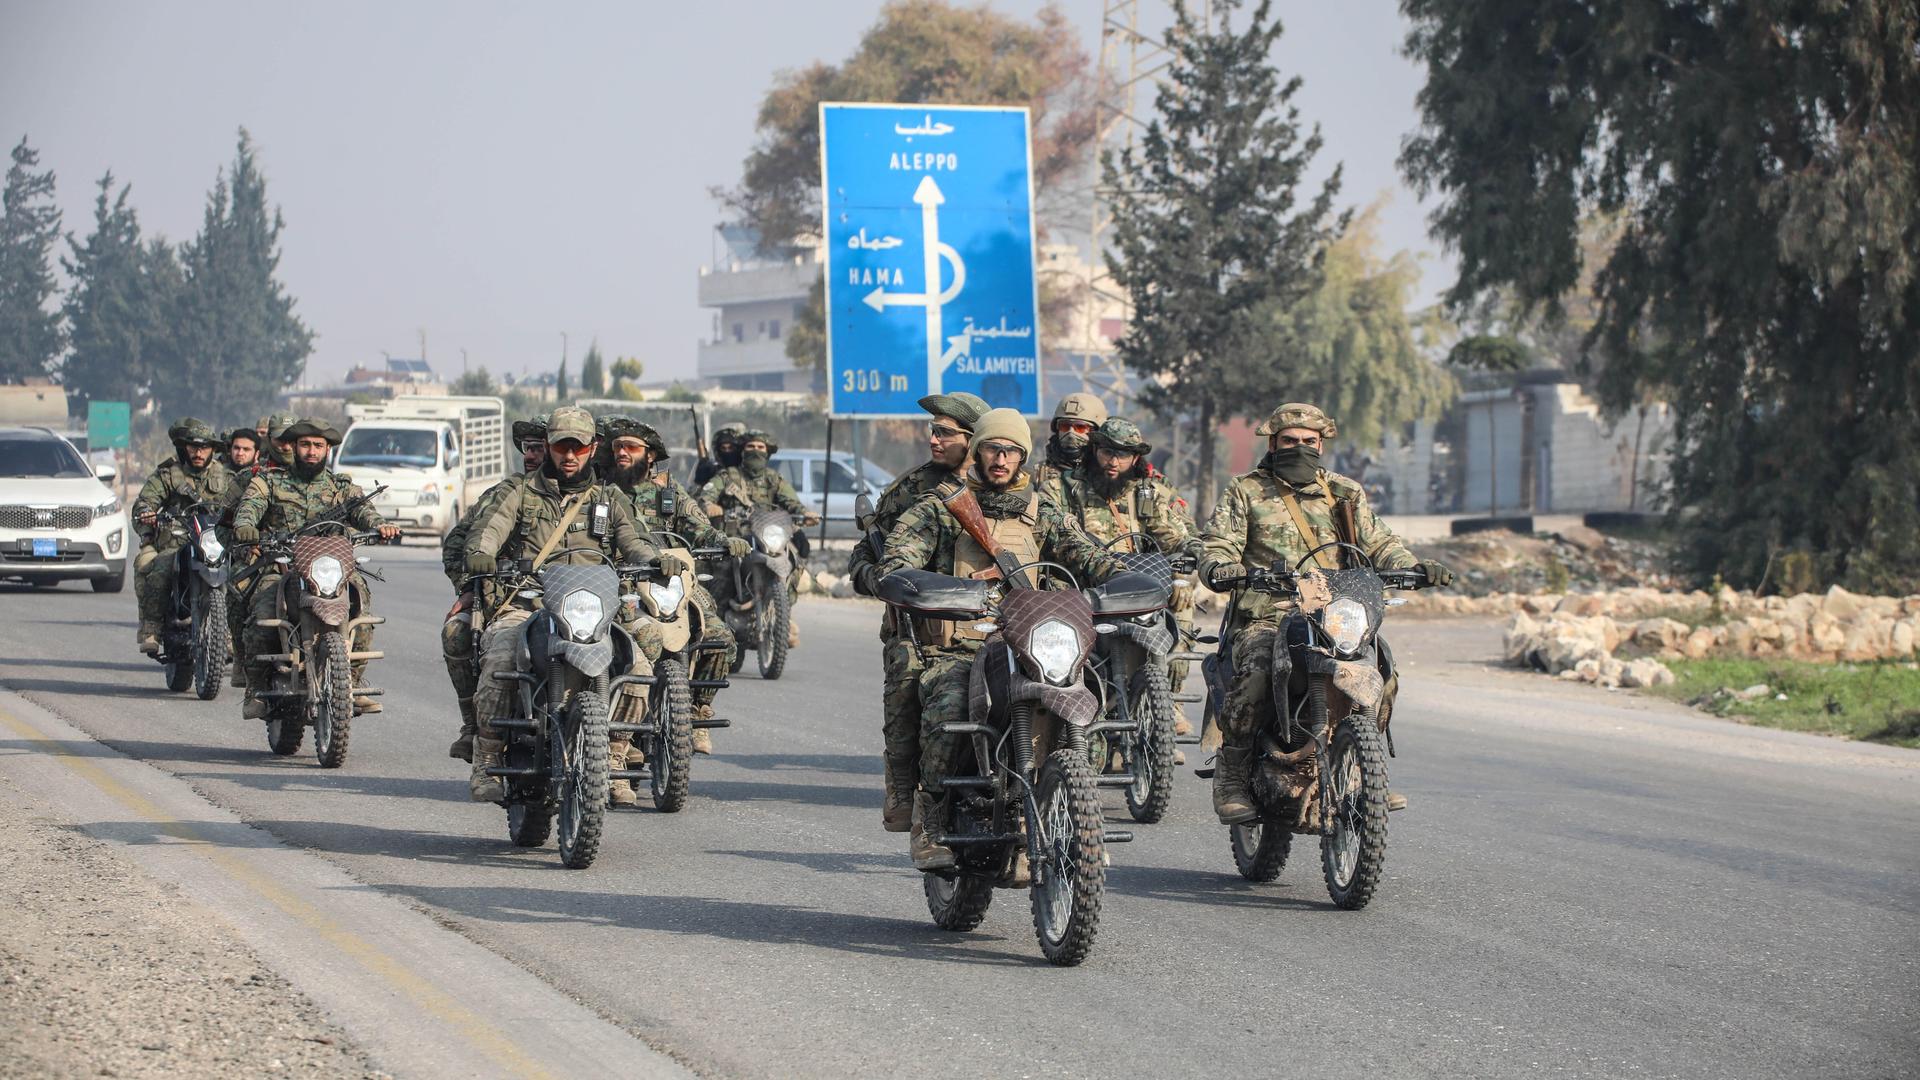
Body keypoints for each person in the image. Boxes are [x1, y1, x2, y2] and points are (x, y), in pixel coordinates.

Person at [876, 408, 1123, 870]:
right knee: (948, 706)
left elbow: (1087, 555)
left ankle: (1079, 820)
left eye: (1011, 450)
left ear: (1023, 456)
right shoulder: (941, 508)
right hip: (961, 645)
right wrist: (913, 580)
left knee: (1088, 706)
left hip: (1030, 641)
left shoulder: (1042, 510)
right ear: (978, 450)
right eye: (993, 448)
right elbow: (898, 558)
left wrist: (1123, 580)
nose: (1001, 458)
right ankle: (929, 821)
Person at [1196, 402, 1453, 824]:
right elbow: (1219, 543)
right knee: (1258, 674)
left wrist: (1416, 566)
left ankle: (1363, 770)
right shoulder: (1246, 490)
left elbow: (1379, 542)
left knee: (1382, 671)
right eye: (1289, 441)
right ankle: (1233, 776)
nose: (1299, 448)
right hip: (1267, 614)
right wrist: (1224, 567)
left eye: (1308, 442)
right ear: (1273, 444)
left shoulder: (1344, 492)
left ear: (1322, 444)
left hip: (1335, 616)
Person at [460, 407, 674, 803]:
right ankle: (485, 759)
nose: (570, 456)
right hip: (529, 603)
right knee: (501, 657)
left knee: (639, 669)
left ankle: (612, 760)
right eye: (562, 447)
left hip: (594, 610)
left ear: (593, 449)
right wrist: (481, 553)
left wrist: (656, 558)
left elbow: (635, 541)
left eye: (578, 447)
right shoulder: (519, 492)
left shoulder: (609, 497)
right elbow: (488, 532)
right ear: (550, 448)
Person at [846, 391, 989, 832]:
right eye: (933, 431)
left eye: (945, 432)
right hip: (923, 625)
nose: (933, 439)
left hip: (997, 621)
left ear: (974, 440)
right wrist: (889, 582)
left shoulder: (1008, 489)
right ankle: (906, 789)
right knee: (906, 682)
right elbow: (862, 562)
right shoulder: (912, 489)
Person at [1041, 416, 1204, 760]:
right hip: (1084, 589)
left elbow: (1175, 534)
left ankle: (1165, 704)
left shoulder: (1146, 492)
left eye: (1124, 455)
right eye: (1107, 452)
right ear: (1094, 450)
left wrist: (1202, 558)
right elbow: (1050, 537)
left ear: (1136, 458)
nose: (1113, 462)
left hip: (1138, 585)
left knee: (1182, 594)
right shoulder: (1064, 488)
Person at [600, 416, 747, 777]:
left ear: (649, 455)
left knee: (718, 637)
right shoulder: (601, 491)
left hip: (672, 585)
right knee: (621, 647)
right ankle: (613, 729)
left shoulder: (668, 493)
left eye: (631, 447)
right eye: (618, 446)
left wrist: (724, 542)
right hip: (618, 582)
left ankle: (696, 710)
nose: (622, 453)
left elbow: (698, 528)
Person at [231, 420, 400, 719]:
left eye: (318, 446)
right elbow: (250, 506)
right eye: (305, 445)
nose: (311, 452)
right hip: (283, 565)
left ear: (328, 450)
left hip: (333, 569)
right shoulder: (269, 481)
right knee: (262, 612)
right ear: (294, 447)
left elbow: (364, 511)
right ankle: (255, 689)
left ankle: (352, 684)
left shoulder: (341, 487)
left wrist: (380, 526)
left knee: (361, 609)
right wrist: (246, 527)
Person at [437, 415, 548, 763]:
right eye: (528, 448)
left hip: (574, 602)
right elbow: (459, 544)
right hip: (508, 597)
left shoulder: (596, 497)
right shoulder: (505, 492)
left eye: (540, 448)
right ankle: (474, 728)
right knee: (457, 632)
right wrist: (468, 587)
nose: (531, 455)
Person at [696, 428, 818, 648]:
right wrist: (710, 505)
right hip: (735, 536)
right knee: (722, 571)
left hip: (768, 534)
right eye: (750, 446)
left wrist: (804, 513)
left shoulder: (774, 478)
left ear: (768, 452)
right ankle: (714, 628)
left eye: (760, 447)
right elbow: (706, 495)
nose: (755, 451)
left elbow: (791, 502)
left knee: (794, 562)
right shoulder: (728, 475)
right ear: (742, 451)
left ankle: (782, 617)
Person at [131, 419, 235, 654]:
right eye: (193, 447)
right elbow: (144, 502)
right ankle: (152, 629)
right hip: (176, 542)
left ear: (213, 449)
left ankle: (230, 634)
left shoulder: (226, 477)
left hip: (215, 542)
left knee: (240, 574)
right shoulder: (168, 474)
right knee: (158, 569)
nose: (198, 453)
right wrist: (147, 514)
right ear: (184, 447)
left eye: (204, 447)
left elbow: (243, 504)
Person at [1033, 392, 1109, 489]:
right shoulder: (1039, 473)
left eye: (1080, 427)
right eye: (1064, 426)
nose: (1070, 433)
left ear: (1096, 431)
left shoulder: (1110, 473)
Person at [692, 423, 742, 489]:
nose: (727, 451)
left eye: (730, 448)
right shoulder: (712, 468)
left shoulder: (743, 468)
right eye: (723, 448)